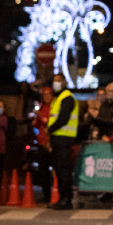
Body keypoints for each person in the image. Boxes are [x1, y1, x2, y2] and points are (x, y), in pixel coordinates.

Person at [46, 74, 77, 210]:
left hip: (64, 139)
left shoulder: (67, 98)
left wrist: (49, 129)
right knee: (58, 169)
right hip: (58, 139)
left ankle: (66, 199)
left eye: (58, 80)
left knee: (63, 170)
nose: (56, 83)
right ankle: (62, 198)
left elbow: (63, 118)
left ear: (64, 82)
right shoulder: (59, 98)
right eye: (54, 80)